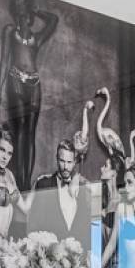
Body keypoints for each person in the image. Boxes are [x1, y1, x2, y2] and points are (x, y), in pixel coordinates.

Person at [0, 0, 59, 191]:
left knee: (30, 132)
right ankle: (20, 182)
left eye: (22, 3)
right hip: (16, 81)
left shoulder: (36, 38)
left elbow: (54, 20)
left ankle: (26, 183)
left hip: (34, 84)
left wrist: (36, 10)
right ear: (14, 10)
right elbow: (4, 61)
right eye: (16, 4)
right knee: (21, 129)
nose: (19, 6)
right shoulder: (10, 31)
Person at [24, 102, 100, 257]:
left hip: (76, 261)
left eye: (69, 162)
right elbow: (33, 225)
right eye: (62, 161)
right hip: (49, 260)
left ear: (75, 162)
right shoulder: (43, 184)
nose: (65, 166)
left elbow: (87, 227)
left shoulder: (83, 188)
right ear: (57, 159)